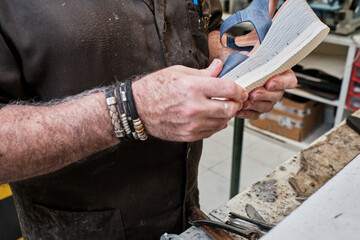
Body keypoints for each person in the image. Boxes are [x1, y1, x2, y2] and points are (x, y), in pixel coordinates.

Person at [0, 0, 297, 239]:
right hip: (77, 227)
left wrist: (236, 60)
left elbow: (203, 30)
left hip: (185, 213)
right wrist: (129, 109)